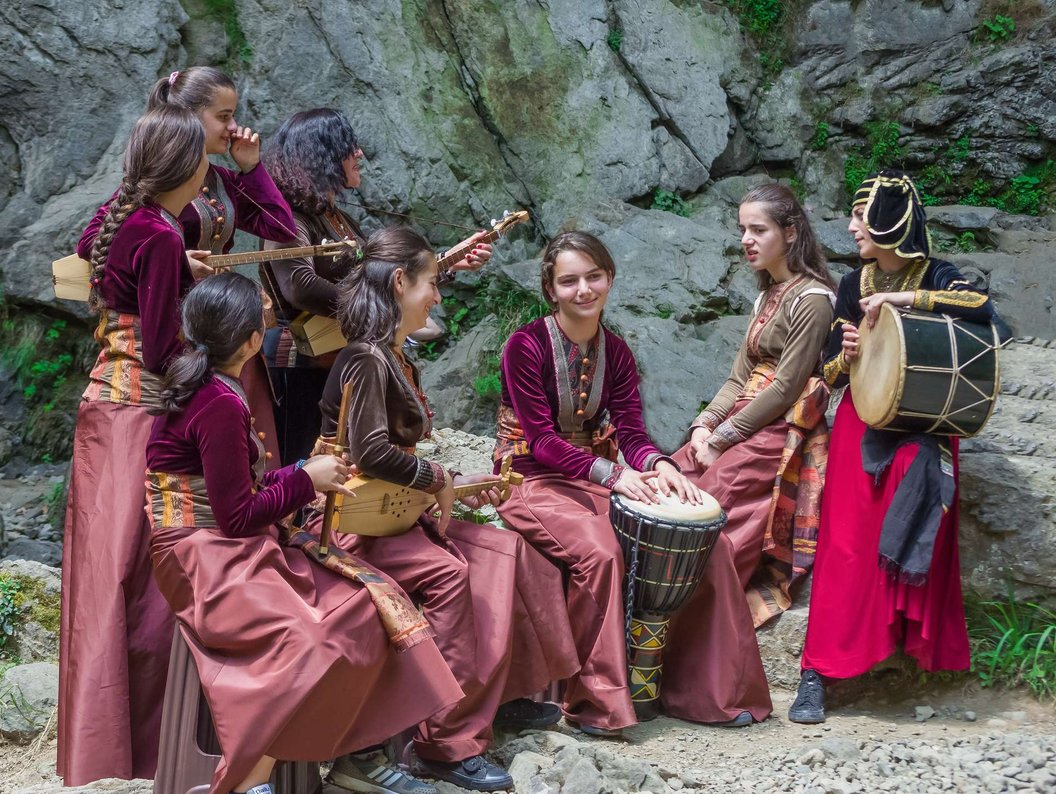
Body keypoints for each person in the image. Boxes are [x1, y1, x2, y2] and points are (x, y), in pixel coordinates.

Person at [145, 272, 462, 794]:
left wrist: (299, 477)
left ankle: (352, 758)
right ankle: (253, 779)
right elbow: (236, 516)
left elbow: (232, 488)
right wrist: (302, 480)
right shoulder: (220, 402)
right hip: (204, 555)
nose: (272, 312)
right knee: (311, 640)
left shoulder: (209, 388)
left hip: (223, 544)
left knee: (364, 607)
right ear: (252, 341)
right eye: (266, 313)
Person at [313, 227, 576, 792]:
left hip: (394, 512)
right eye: (432, 282)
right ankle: (445, 743)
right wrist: (438, 479)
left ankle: (499, 696)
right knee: (452, 573)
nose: (438, 295)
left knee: (508, 549)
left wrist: (455, 483)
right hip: (352, 520)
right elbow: (370, 453)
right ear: (402, 283)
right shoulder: (365, 359)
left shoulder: (390, 355)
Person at [790, 170, 1009, 724]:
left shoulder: (938, 273)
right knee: (843, 546)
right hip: (864, 419)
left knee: (917, 477)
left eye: (861, 217)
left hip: (923, 427)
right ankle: (816, 671)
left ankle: (897, 637)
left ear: (889, 223)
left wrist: (901, 298)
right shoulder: (848, 285)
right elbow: (833, 376)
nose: (851, 227)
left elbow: (985, 309)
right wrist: (850, 352)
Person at [494, 230, 700, 737]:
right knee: (602, 552)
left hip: (587, 474)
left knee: (663, 533)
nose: (583, 289)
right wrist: (617, 476)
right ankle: (591, 701)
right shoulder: (525, 345)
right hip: (524, 475)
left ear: (610, 278)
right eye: (569, 281)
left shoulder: (620, 353)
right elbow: (541, 441)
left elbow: (630, 431)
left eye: (594, 276)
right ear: (551, 289)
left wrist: (660, 465)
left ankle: (680, 690)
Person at [58, 105, 208, 785]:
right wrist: (225, 338)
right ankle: (140, 751)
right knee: (145, 581)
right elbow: (162, 350)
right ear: (188, 166)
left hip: (100, 412)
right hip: (139, 420)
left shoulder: (124, 220)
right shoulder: (161, 236)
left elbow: (97, 262)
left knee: (99, 577)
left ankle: (92, 747)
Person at [657, 184, 836, 727]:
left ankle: (693, 670)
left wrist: (725, 436)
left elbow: (785, 388)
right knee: (665, 482)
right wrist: (701, 426)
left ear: (791, 232)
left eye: (758, 229)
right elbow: (739, 376)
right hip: (739, 424)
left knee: (704, 513)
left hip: (777, 434)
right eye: (742, 230)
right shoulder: (766, 297)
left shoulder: (814, 299)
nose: (746, 240)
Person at [80, 66, 296, 464]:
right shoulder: (155, 185)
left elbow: (281, 227)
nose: (233, 128)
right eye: (224, 116)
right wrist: (170, 262)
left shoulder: (219, 181)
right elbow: (94, 242)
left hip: (222, 327)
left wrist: (251, 167)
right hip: (175, 338)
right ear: (188, 118)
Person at [260, 108, 492, 462]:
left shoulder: (330, 214)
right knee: (303, 464)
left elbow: (380, 274)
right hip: (302, 362)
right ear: (321, 154)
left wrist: (444, 265)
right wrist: (380, 306)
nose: (360, 154)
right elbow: (300, 287)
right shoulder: (287, 216)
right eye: (348, 146)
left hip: (332, 358)